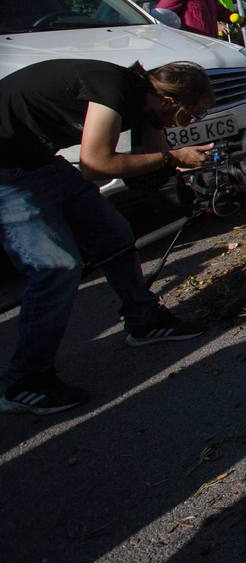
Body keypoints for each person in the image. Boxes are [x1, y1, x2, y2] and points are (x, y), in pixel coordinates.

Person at [0, 60, 214, 414]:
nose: (190, 123)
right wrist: (171, 156)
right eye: (189, 114)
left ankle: (144, 321)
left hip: (39, 161)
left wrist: (177, 166)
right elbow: (95, 164)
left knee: (114, 234)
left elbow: (150, 169)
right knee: (56, 267)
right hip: (6, 170)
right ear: (168, 101)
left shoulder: (142, 102)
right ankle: (24, 380)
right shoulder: (113, 88)